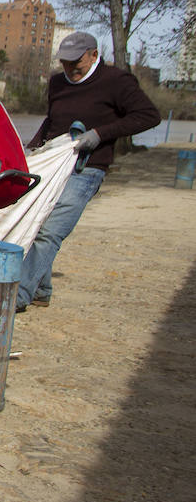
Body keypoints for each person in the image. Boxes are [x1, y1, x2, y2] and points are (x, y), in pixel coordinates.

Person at [16, 31, 159, 312]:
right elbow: (52, 120)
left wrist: (100, 134)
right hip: (53, 164)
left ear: (94, 55)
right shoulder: (57, 82)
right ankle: (41, 289)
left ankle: (18, 295)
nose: (70, 69)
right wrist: (33, 148)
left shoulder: (116, 81)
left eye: (76, 63)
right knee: (35, 222)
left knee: (50, 232)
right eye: (65, 63)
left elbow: (148, 115)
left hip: (87, 168)